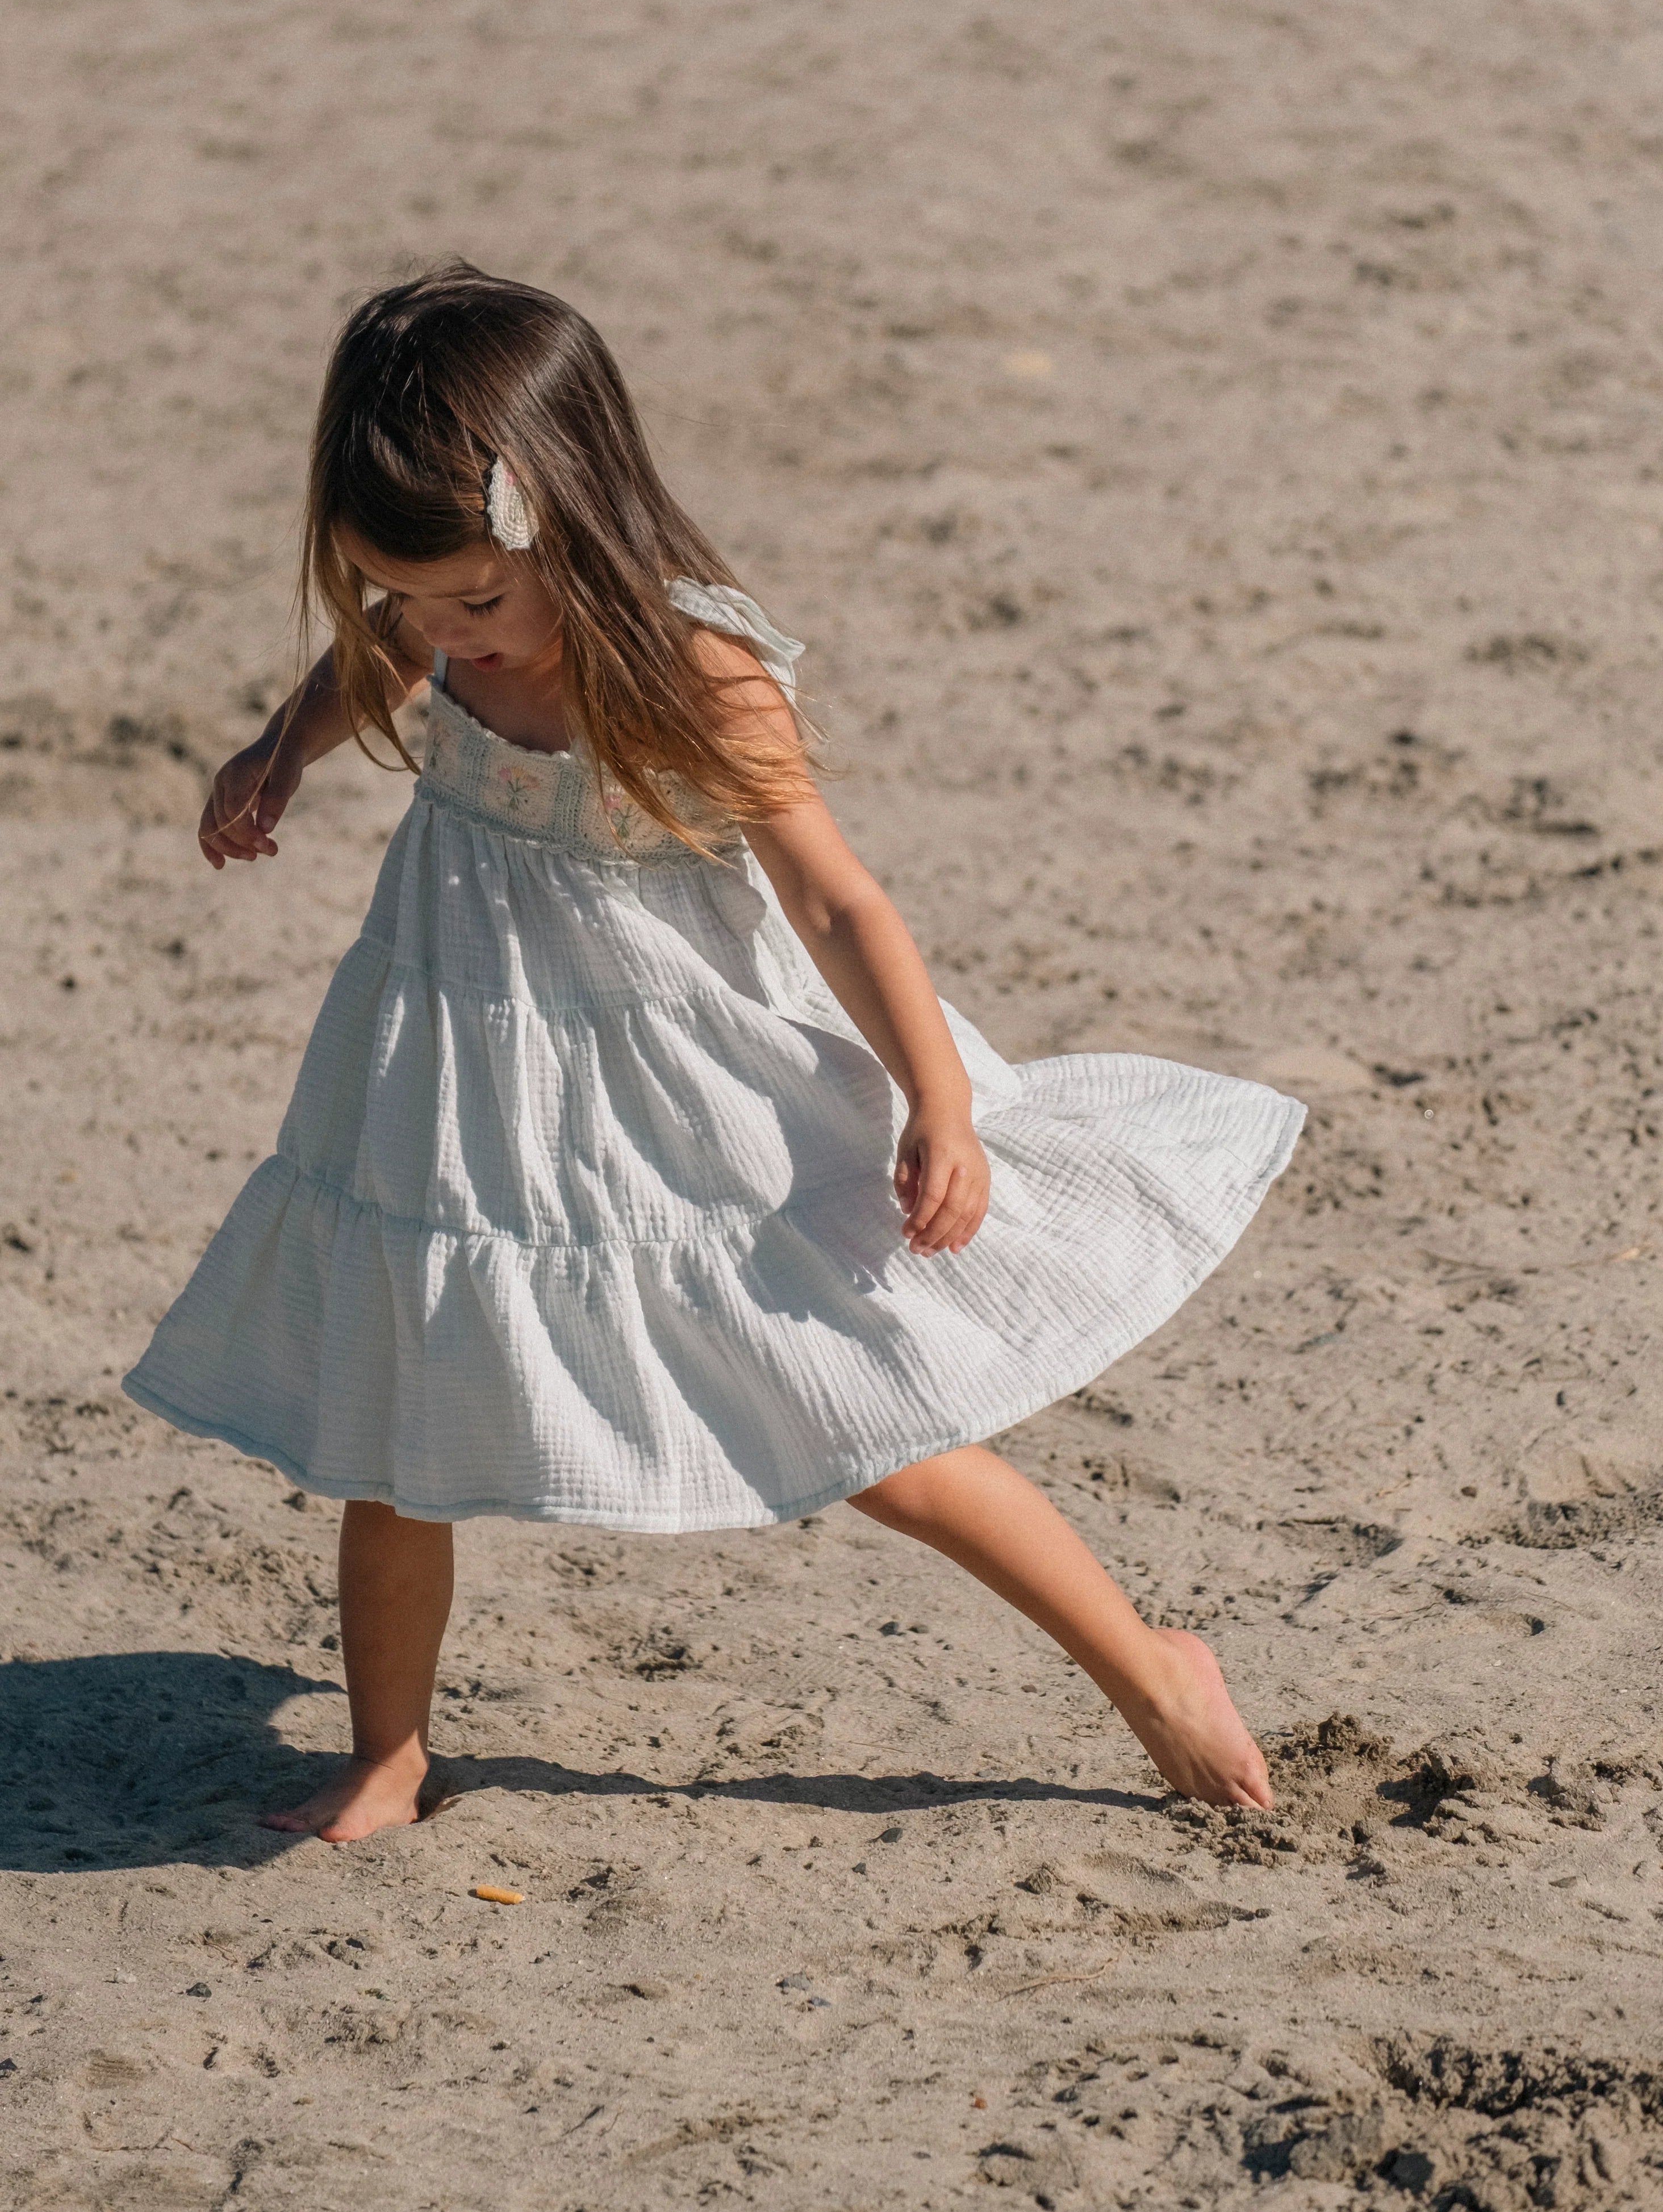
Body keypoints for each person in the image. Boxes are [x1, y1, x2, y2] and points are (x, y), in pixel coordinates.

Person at [123, 262, 1304, 1842]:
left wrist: (938, 1098)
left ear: (571, 516)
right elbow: (379, 661)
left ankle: (1153, 1665)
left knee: (863, 1417)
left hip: (682, 1076)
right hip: (474, 1072)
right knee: (397, 1411)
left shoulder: (690, 666)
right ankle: (391, 1752)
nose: (438, 632)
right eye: (398, 591)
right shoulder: (431, 621)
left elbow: (833, 893)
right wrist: (279, 752)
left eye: (474, 597)